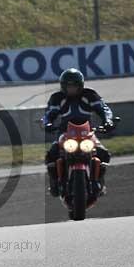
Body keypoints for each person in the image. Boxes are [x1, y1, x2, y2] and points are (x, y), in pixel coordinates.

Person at [42, 68, 115, 197]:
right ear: (63, 86)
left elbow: (104, 109)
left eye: (74, 86)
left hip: (87, 133)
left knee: (103, 153)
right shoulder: (57, 98)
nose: (71, 89)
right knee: (51, 154)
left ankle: (99, 181)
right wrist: (47, 124)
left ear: (80, 85)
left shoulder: (90, 95)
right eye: (68, 86)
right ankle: (55, 183)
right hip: (65, 133)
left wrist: (108, 121)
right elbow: (48, 114)